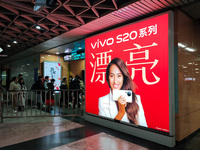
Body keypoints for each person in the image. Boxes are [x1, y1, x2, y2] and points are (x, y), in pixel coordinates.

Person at [98, 58, 147, 127]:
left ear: (124, 77)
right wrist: (121, 113)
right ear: (108, 78)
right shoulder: (103, 101)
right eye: (112, 76)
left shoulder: (136, 98)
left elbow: (144, 126)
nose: (115, 81)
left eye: (119, 76)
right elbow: (104, 129)